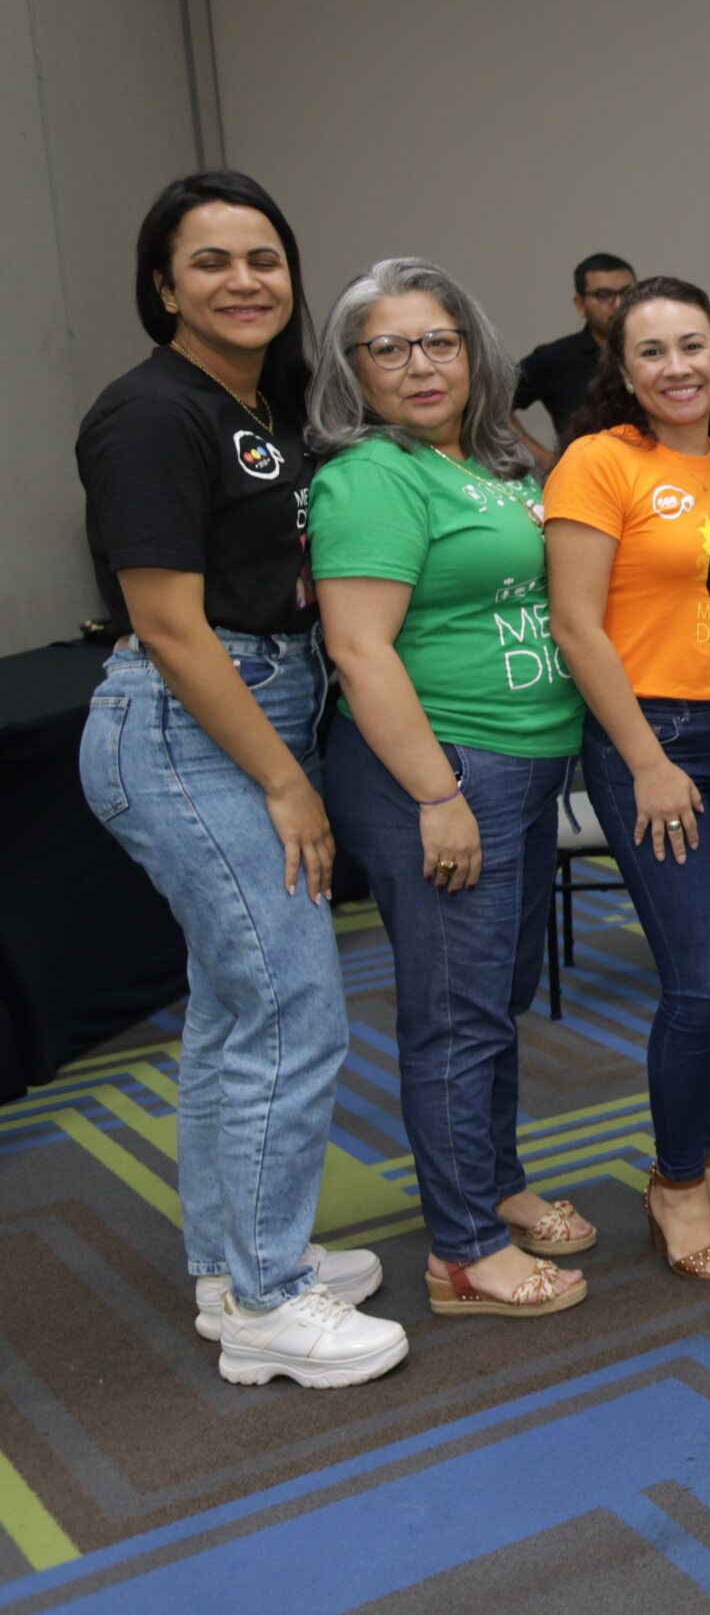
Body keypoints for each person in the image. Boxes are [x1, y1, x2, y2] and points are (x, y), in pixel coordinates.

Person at [76, 170, 407, 1386]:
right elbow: (168, 624)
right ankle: (269, 1306)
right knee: (289, 1005)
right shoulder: (151, 414)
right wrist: (285, 781)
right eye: (210, 261)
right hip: (188, 729)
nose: (244, 280)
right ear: (163, 283)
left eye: (262, 258)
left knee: (233, 1010)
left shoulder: (252, 406)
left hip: (240, 712)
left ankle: (233, 1267)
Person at [310, 258, 589, 1319]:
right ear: (353, 370)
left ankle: (494, 1181)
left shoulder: (494, 460)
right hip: (439, 772)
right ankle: (464, 1249)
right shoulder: (370, 477)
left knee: (493, 1003)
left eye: (440, 342)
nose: (419, 365)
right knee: (453, 1014)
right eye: (388, 347)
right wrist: (436, 792)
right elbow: (359, 648)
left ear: (475, 353)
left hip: (517, 766)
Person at [546, 276, 710, 1282]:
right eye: (651, 351)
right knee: (692, 982)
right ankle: (675, 1182)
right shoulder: (600, 462)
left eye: (694, 346)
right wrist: (644, 760)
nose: (676, 366)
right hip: (655, 742)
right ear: (623, 370)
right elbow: (574, 625)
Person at [510, 251, 635, 474]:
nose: (618, 304)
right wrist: (544, 459)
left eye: (628, 293)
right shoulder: (555, 358)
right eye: (604, 295)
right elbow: (491, 402)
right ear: (580, 304)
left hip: (654, 480)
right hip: (584, 481)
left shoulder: (657, 352)